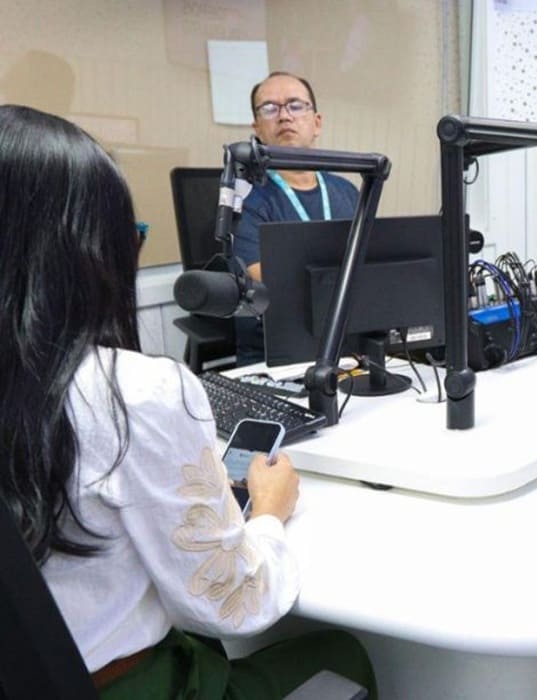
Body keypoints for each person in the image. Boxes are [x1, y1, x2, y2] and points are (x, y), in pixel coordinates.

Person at [0, 104, 376, 698]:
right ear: (88, 252)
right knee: (342, 654)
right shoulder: (130, 395)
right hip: (127, 685)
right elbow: (236, 604)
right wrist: (269, 513)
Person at [232, 71, 361, 365]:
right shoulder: (245, 198)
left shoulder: (347, 191)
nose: (284, 116)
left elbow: (373, 266)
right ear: (257, 127)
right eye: (270, 108)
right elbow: (270, 282)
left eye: (295, 105)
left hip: (350, 345)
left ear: (317, 122)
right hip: (279, 356)